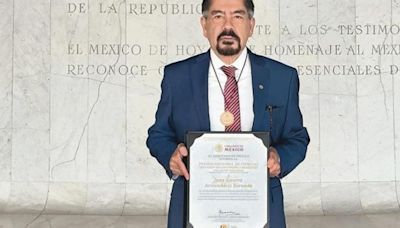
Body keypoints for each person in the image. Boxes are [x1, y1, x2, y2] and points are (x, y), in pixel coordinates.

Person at [146, 0, 310, 227]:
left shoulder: (282, 77)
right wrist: (171, 157)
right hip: (193, 208)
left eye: (238, 17)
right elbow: (158, 135)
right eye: (218, 16)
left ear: (251, 26)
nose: (228, 26)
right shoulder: (177, 77)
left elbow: (297, 138)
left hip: (260, 208)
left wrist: (279, 157)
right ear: (204, 25)